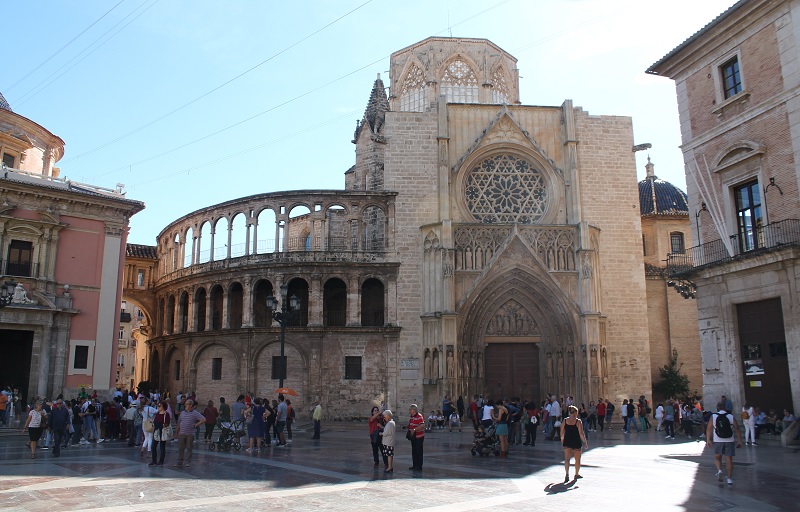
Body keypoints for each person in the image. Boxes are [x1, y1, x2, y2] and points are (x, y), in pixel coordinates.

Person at [706, 401, 743, 485]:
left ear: (718, 407)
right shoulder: (730, 416)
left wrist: (708, 439)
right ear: (726, 408)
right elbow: (737, 428)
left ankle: (719, 470)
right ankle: (729, 479)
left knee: (717, 457)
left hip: (718, 440)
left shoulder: (714, 416)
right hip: (729, 440)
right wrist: (740, 440)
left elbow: (709, 428)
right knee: (729, 459)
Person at [174, 399, 205, 468]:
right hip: (182, 433)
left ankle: (187, 462)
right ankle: (179, 461)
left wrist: (196, 425)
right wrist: (176, 431)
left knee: (189, 448)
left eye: (187, 404)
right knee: (181, 448)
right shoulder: (182, 413)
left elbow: (203, 419)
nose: (185, 405)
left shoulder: (195, 413)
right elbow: (179, 422)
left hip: (190, 433)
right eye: (185, 404)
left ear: (191, 405)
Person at [561, 405, 588, 482]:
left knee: (567, 459)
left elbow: (562, 432)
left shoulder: (565, 420)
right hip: (576, 441)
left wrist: (562, 439)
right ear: (575, 412)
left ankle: (567, 474)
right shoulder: (578, 421)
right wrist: (585, 443)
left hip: (567, 440)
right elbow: (581, 433)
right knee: (577, 459)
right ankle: (576, 474)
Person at [149, 401, 171, 467]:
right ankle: (154, 460)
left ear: (163, 407)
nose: (158, 407)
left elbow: (167, 423)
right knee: (153, 446)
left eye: (159, 406)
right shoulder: (157, 414)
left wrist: (162, 425)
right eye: (158, 406)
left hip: (162, 431)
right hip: (156, 430)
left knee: (162, 447)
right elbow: (155, 421)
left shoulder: (166, 414)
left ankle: (161, 461)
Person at [407, 404, 425, 470]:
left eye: (410, 409)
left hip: (419, 437)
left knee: (419, 451)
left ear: (414, 410)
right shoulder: (412, 417)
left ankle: (419, 466)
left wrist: (414, 430)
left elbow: (422, 425)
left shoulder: (419, 416)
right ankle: (415, 465)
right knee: (414, 451)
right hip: (414, 437)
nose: (409, 411)